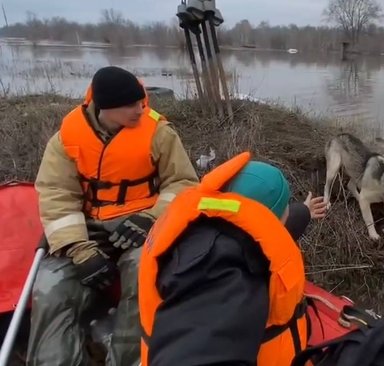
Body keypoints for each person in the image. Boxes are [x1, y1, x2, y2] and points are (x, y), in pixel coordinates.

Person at [27, 66, 199, 366]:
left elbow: (184, 183)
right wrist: (79, 250)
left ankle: (128, 360)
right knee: (50, 289)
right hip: (87, 229)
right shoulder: (66, 139)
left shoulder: (159, 132)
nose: (140, 110)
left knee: (143, 274)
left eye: (141, 102)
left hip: (141, 228)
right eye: (131, 105)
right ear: (106, 107)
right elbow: (56, 194)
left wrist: (152, 218)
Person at [138, 151, 328, 366]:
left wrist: (304, 211)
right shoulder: (217, 269)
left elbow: (275, 228)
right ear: (270, 218)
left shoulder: (221, 226)